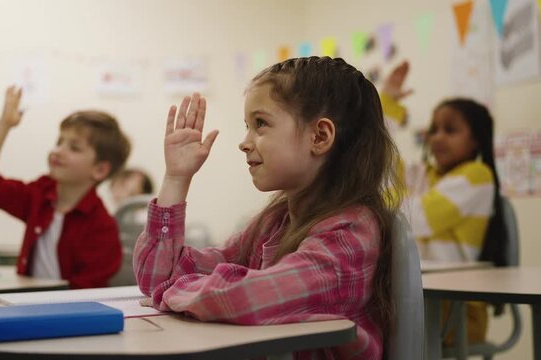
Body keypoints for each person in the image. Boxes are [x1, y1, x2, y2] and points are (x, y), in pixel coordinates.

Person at [133, 56, 402, 359]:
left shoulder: (350, 233)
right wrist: (176, 179)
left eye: (260, 124)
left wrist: (174, 291)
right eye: (247, 126)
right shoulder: (275, 223)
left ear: (320, 136)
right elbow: (155, 278)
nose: (244, 143)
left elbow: (244, 298)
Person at [381, 61, 507, 345]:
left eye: (450, 130)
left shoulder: (477, 176)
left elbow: (413, 217)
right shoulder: (424, 173)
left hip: (456, 311)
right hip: (419, 301)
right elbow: (380, 164)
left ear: (475, 141)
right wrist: (387, 103)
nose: (437, 137)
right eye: (434, 129)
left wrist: (379, 201)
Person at [0, 86, 131, 289]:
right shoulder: (41, 193)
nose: (58, 151)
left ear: (99, 170)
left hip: (64, 315)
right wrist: (4, 125)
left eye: (74, 147)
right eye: (59, 142)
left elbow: (83, 298)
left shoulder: (102, 228)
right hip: (27, 304)